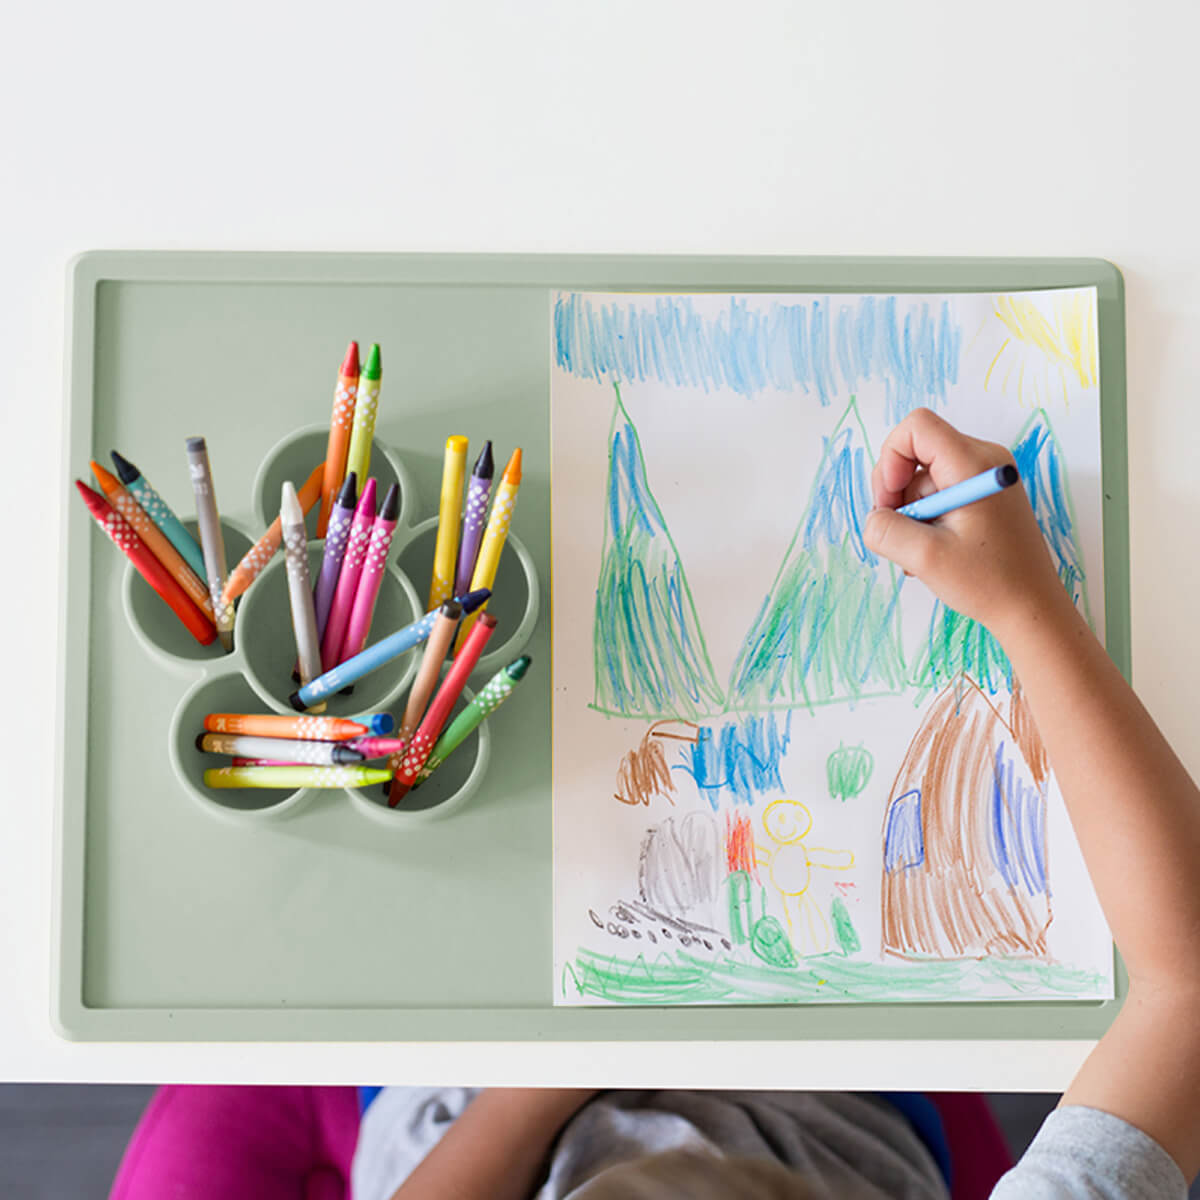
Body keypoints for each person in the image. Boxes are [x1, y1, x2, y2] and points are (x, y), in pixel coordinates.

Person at [353, 410, 1198, 1199]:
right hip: (831, 1116)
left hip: (489, 1120)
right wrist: (1024, 604)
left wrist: (553, 1077)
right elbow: (1188, 988)